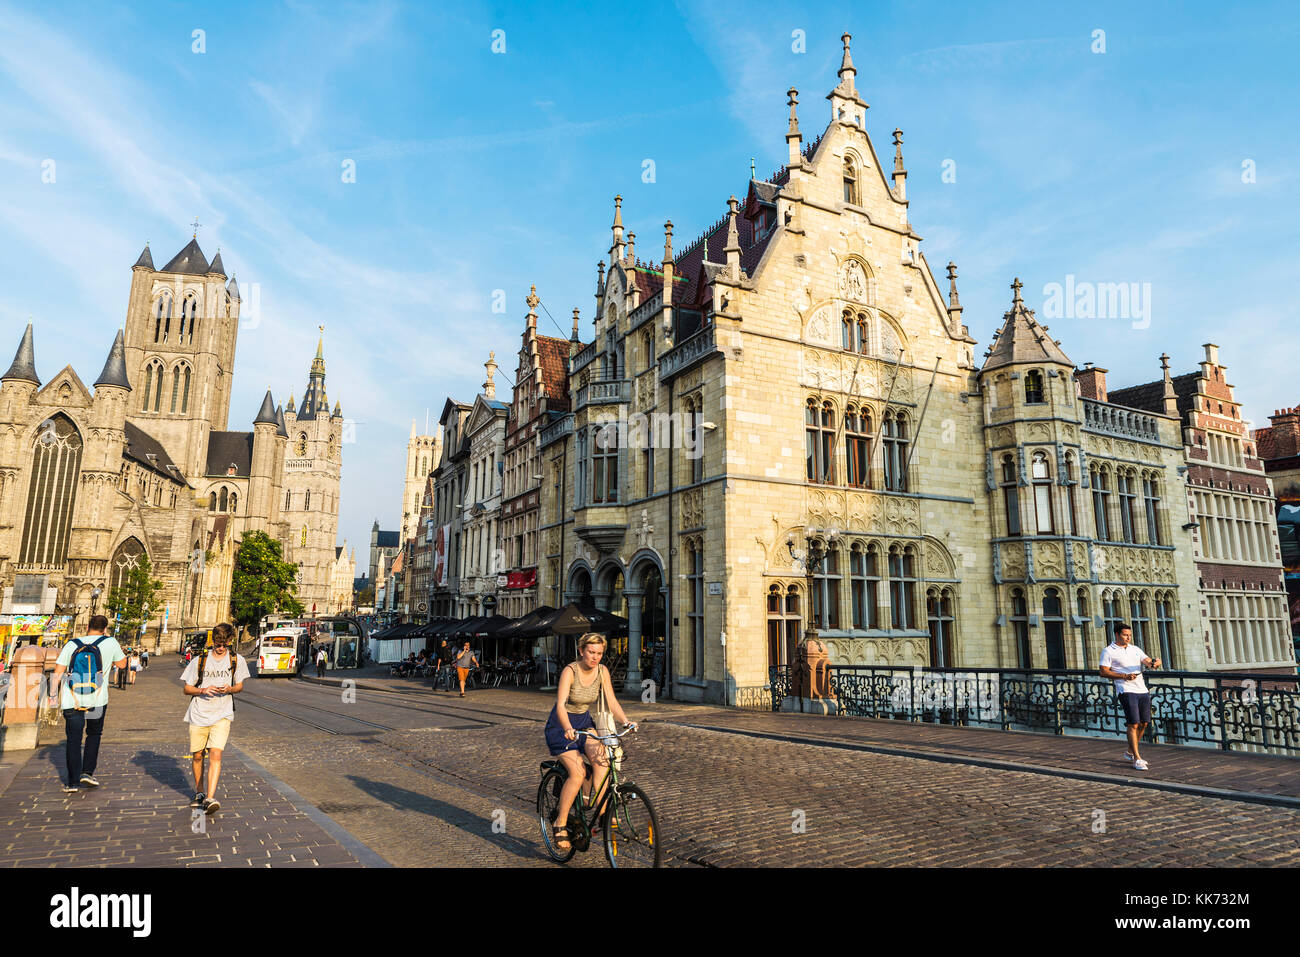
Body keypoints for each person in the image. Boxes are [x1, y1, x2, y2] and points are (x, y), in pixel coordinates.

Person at [543, 633, 635, 852]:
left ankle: (602, 814)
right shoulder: (570, 671)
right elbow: (560, 704)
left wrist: (625, 721)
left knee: (602, 761)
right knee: (577, 774)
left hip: (584, 722)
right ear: (581, 650)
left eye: (600, 653)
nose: (595, 657)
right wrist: (566, 728)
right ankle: (560, 823)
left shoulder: (602, 671)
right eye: (591, 652)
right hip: (561, 726)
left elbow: (611, 699)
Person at [48, 615, 127, 792]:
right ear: (105, 629)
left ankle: (73, 782)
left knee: (74, 739)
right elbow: (122, 665)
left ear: (87, 627)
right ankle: (87, 773)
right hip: (97, 698)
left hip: (71, 699)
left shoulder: (71, 644)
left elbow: (58, 671)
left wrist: (52, 695)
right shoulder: (110, 642)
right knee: (94, 734)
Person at [180, 622, 249, 814]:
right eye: (217, 644)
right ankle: (200, 792)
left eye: (224, 644)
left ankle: (210, 798)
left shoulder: (237, 660)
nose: (220, 648)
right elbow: (187, 689)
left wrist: (230, 689)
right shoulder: (199, 660)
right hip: (199, 713)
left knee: (216, 754)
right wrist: (202, 689)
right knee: (198, 755)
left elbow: (240, 686)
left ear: (230, 641)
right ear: (213, 642)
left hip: (223, 713)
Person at [1100, 623, 1162, 770]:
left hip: (1141, 689)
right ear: (1116, 634)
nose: (1128, 638)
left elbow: (1148, 662)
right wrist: (1123, 676)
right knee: (1133, 723)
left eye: (1129, 635)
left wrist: (1155, 663)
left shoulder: (1135, 649)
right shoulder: (1108, 651)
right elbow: (1103, 671)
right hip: (1125, 689)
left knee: (1144, 723)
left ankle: (1129, 751)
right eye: (1125, 635)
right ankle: (1137, 758)